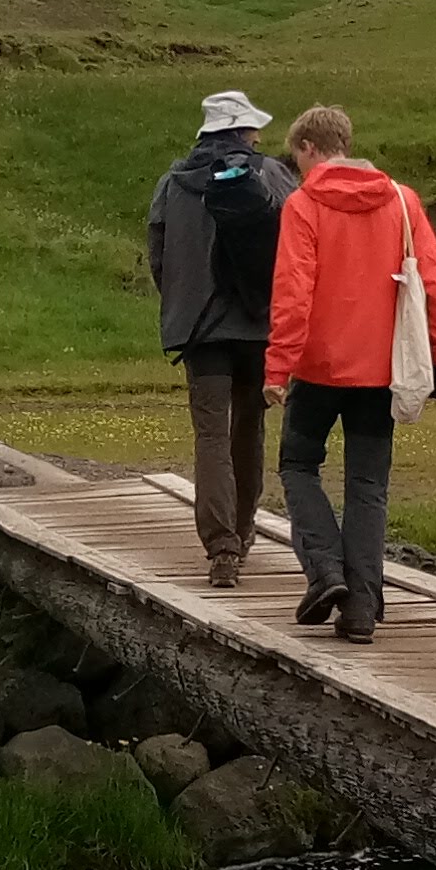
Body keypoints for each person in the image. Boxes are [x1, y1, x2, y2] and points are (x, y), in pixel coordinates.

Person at [264, 103, 436, 644]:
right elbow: (435, 287)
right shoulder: (402, 200)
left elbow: (293, 292)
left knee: (298, 465)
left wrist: (278, 366)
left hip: (318, 368)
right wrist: (434, 357)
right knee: (368, 486)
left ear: (308, 148)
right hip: (381, 370)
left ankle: (325, 570)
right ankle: (362, 609)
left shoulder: (303, 204)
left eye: (297, 156)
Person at [146, 90, 297, 589]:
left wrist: (184, 306)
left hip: (201, 330)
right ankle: (244, 530)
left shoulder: (173, 183)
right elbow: (296, 246)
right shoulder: (272, 174)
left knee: (210, 434)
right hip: (259, 326)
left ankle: (221, 547)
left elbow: (158, 256)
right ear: (244, 131)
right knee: (249, 428)